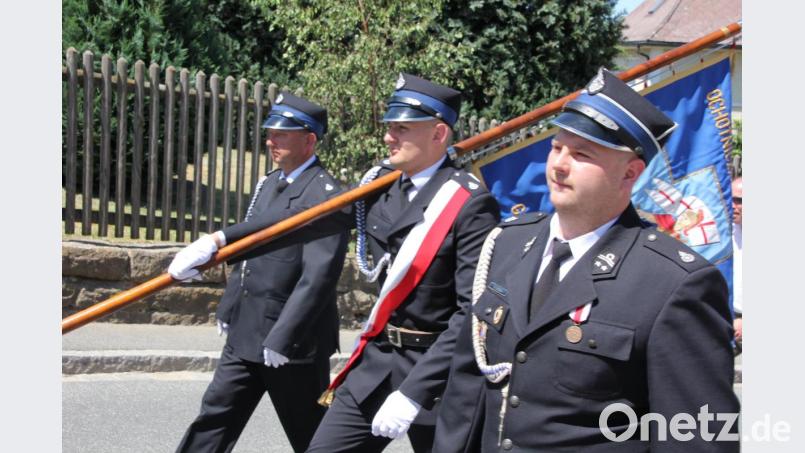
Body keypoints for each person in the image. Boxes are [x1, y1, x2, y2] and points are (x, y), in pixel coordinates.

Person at [433, 68, 740, 452]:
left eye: (581, 154)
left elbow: (697, 437)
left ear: (630, 173)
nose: (560, 165)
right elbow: (466, 391)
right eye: (557, 148)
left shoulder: (674, 282)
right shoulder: (508, 244)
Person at [304, 73, 500, 453]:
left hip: (437, 375)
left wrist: (413, 392)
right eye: (389, 127)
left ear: (438, 134)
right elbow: (308, 221)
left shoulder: (469, 202)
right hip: (378, 365)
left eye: (402, 128)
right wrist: (223, 241)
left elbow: (470, 312)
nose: (388, 137)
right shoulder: (381, 185)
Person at [168, 93, 349, 453]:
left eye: (281, 134)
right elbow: (250, 252)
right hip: (246, 331)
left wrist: (284, 338)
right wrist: (230, 305)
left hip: (291, 343)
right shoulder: (269, 183)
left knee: (311, 436)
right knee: (214, 419)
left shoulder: (326, 194)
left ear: (309, 140)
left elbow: (317, 279)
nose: (270, 141)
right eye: (269, 133)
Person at [732, 176, 743, 347]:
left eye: (739, 200)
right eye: (730, 198)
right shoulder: (724, 231)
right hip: (728, 315)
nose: (733, 205)